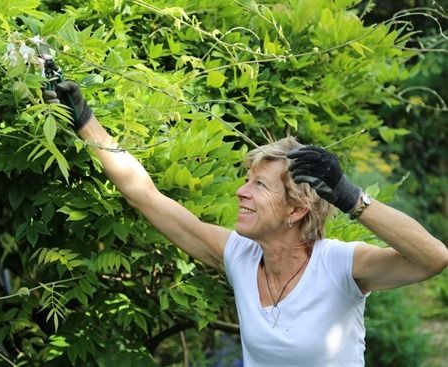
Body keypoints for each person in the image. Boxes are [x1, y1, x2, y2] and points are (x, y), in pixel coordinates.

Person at [43, 81, 448, 366]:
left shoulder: (340, 265)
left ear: (295, 210)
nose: (241, 192)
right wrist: (84, 120)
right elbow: (143, 193)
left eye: (259, 185)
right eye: (246, 180)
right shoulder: (237, 254)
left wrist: (349, 196)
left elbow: (432, 259)